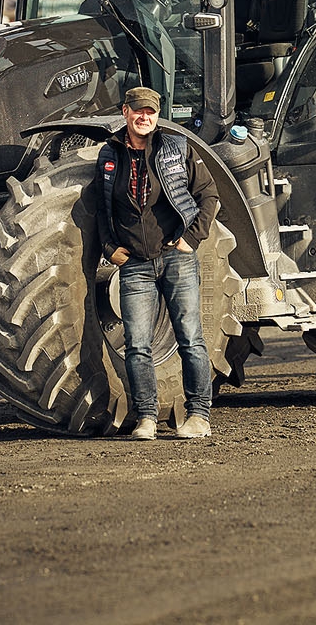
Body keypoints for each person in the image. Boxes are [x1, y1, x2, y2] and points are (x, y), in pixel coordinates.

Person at [96, 86, 220, 440]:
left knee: (190, 339)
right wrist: (109, 247)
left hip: (175, 259)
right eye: (138, 111)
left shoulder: (176, 148)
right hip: (134, 264)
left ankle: (198, 415)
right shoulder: (109, 155)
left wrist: (191, 239)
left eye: (150, 112)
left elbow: (208, 195)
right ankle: (147, 417)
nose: (144, 117)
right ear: (125, 112)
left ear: (157, 114)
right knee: (137, 343)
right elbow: (102, 210)